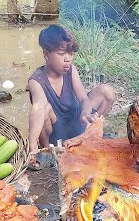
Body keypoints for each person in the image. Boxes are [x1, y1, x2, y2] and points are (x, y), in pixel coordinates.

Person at [27, 24, 115, 170]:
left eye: (70, 53)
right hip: (56, 132)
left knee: (107, 92)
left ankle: (89, 134)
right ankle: (47, 152)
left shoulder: (71, 70)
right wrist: (32, 143)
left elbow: (83, 99)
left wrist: (85, 113)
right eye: (62, 54)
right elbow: (38, 107)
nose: (68, 59)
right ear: (46, 54)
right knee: (45, 109)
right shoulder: (36, 80)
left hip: (75, 122)